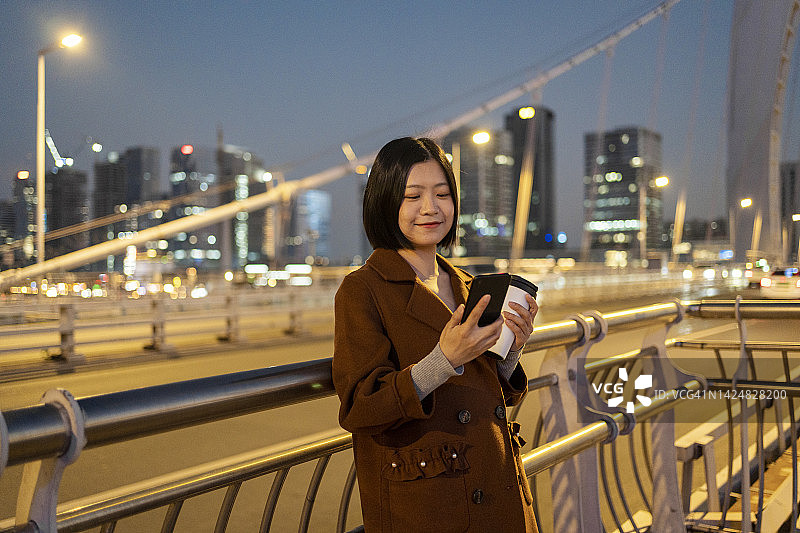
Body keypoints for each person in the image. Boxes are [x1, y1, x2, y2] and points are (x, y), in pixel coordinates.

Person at [333, 136, 539, 532]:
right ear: (385, 202)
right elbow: (361, 406)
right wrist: (443, 361)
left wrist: (511, 349)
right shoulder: (363, 289)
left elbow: (493, 393)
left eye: (442, 194)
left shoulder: (467, 283)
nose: (430, 208)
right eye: (413, 196)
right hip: (429, 504)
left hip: (497, 484)